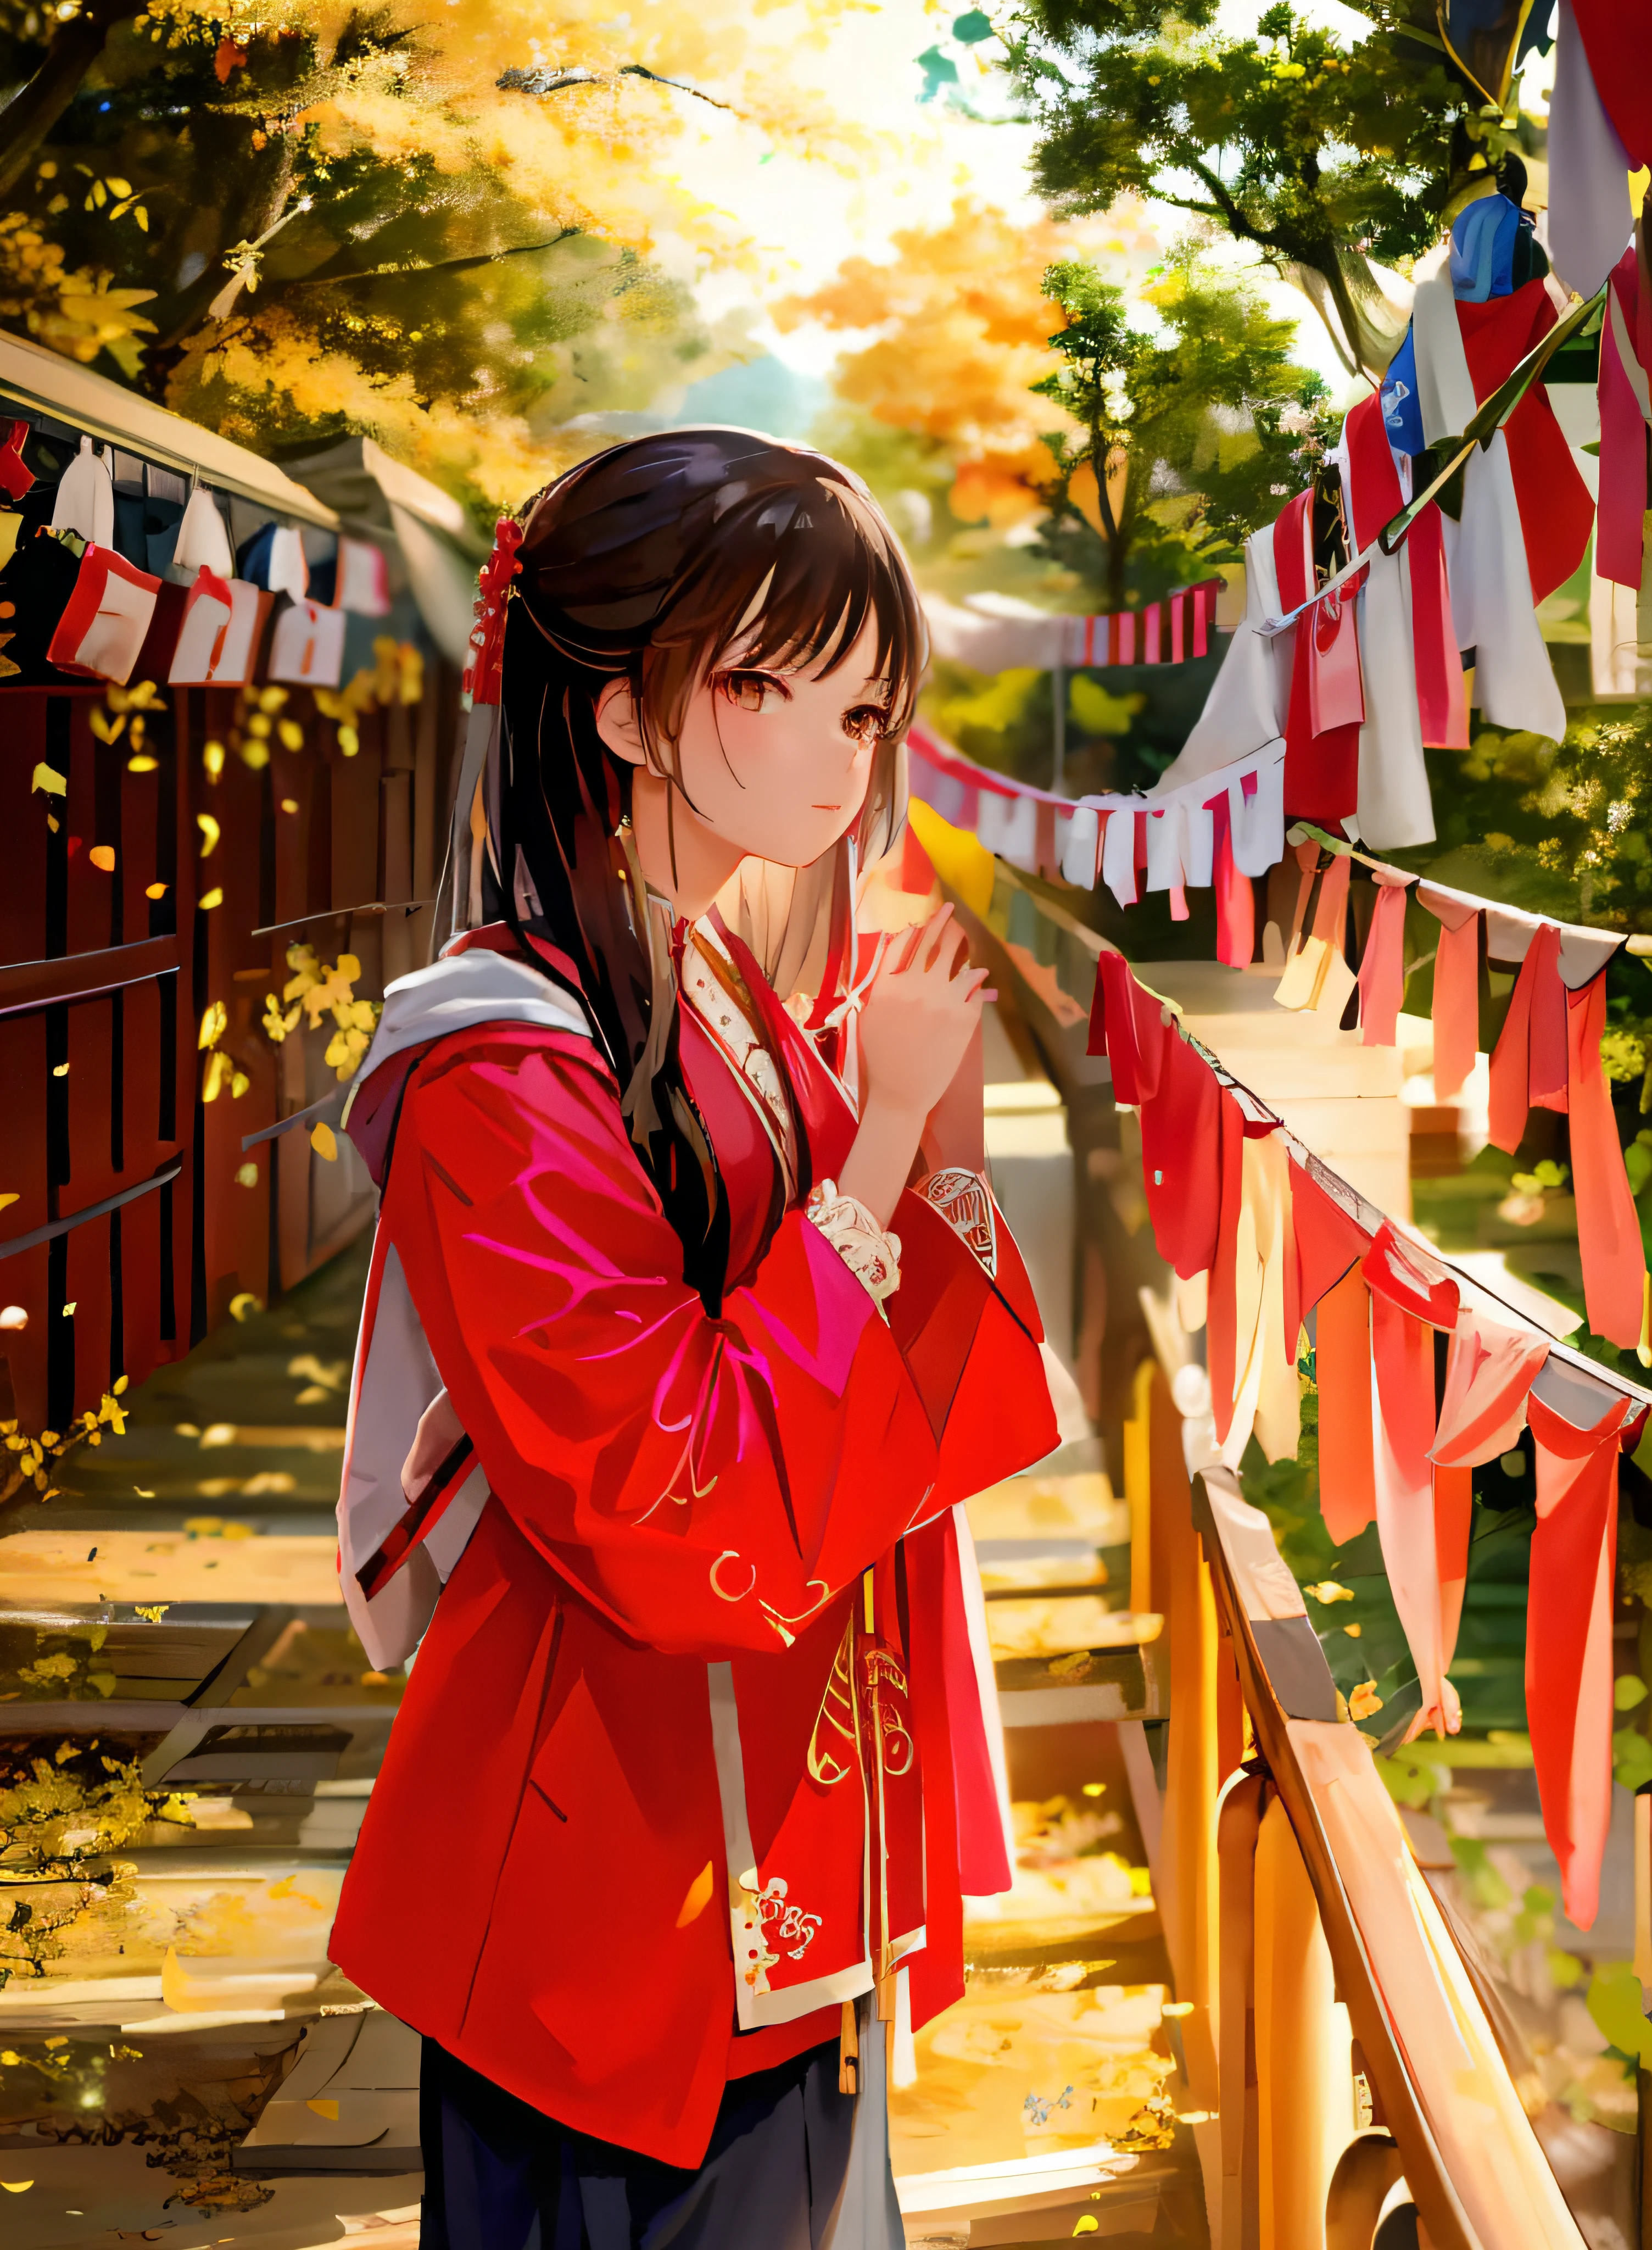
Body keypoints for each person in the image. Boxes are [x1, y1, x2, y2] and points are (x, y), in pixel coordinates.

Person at [327, 430, 1058, 2249]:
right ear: (626, 711)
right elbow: (665, 1485)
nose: (837, 746)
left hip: (775, 1828)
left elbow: (895, 1377)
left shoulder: (707, 970)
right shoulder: (494, 1060)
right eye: (768, 683)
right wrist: (881, 1142)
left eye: (867, 709)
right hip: (613, 1850)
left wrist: (900, 1139)